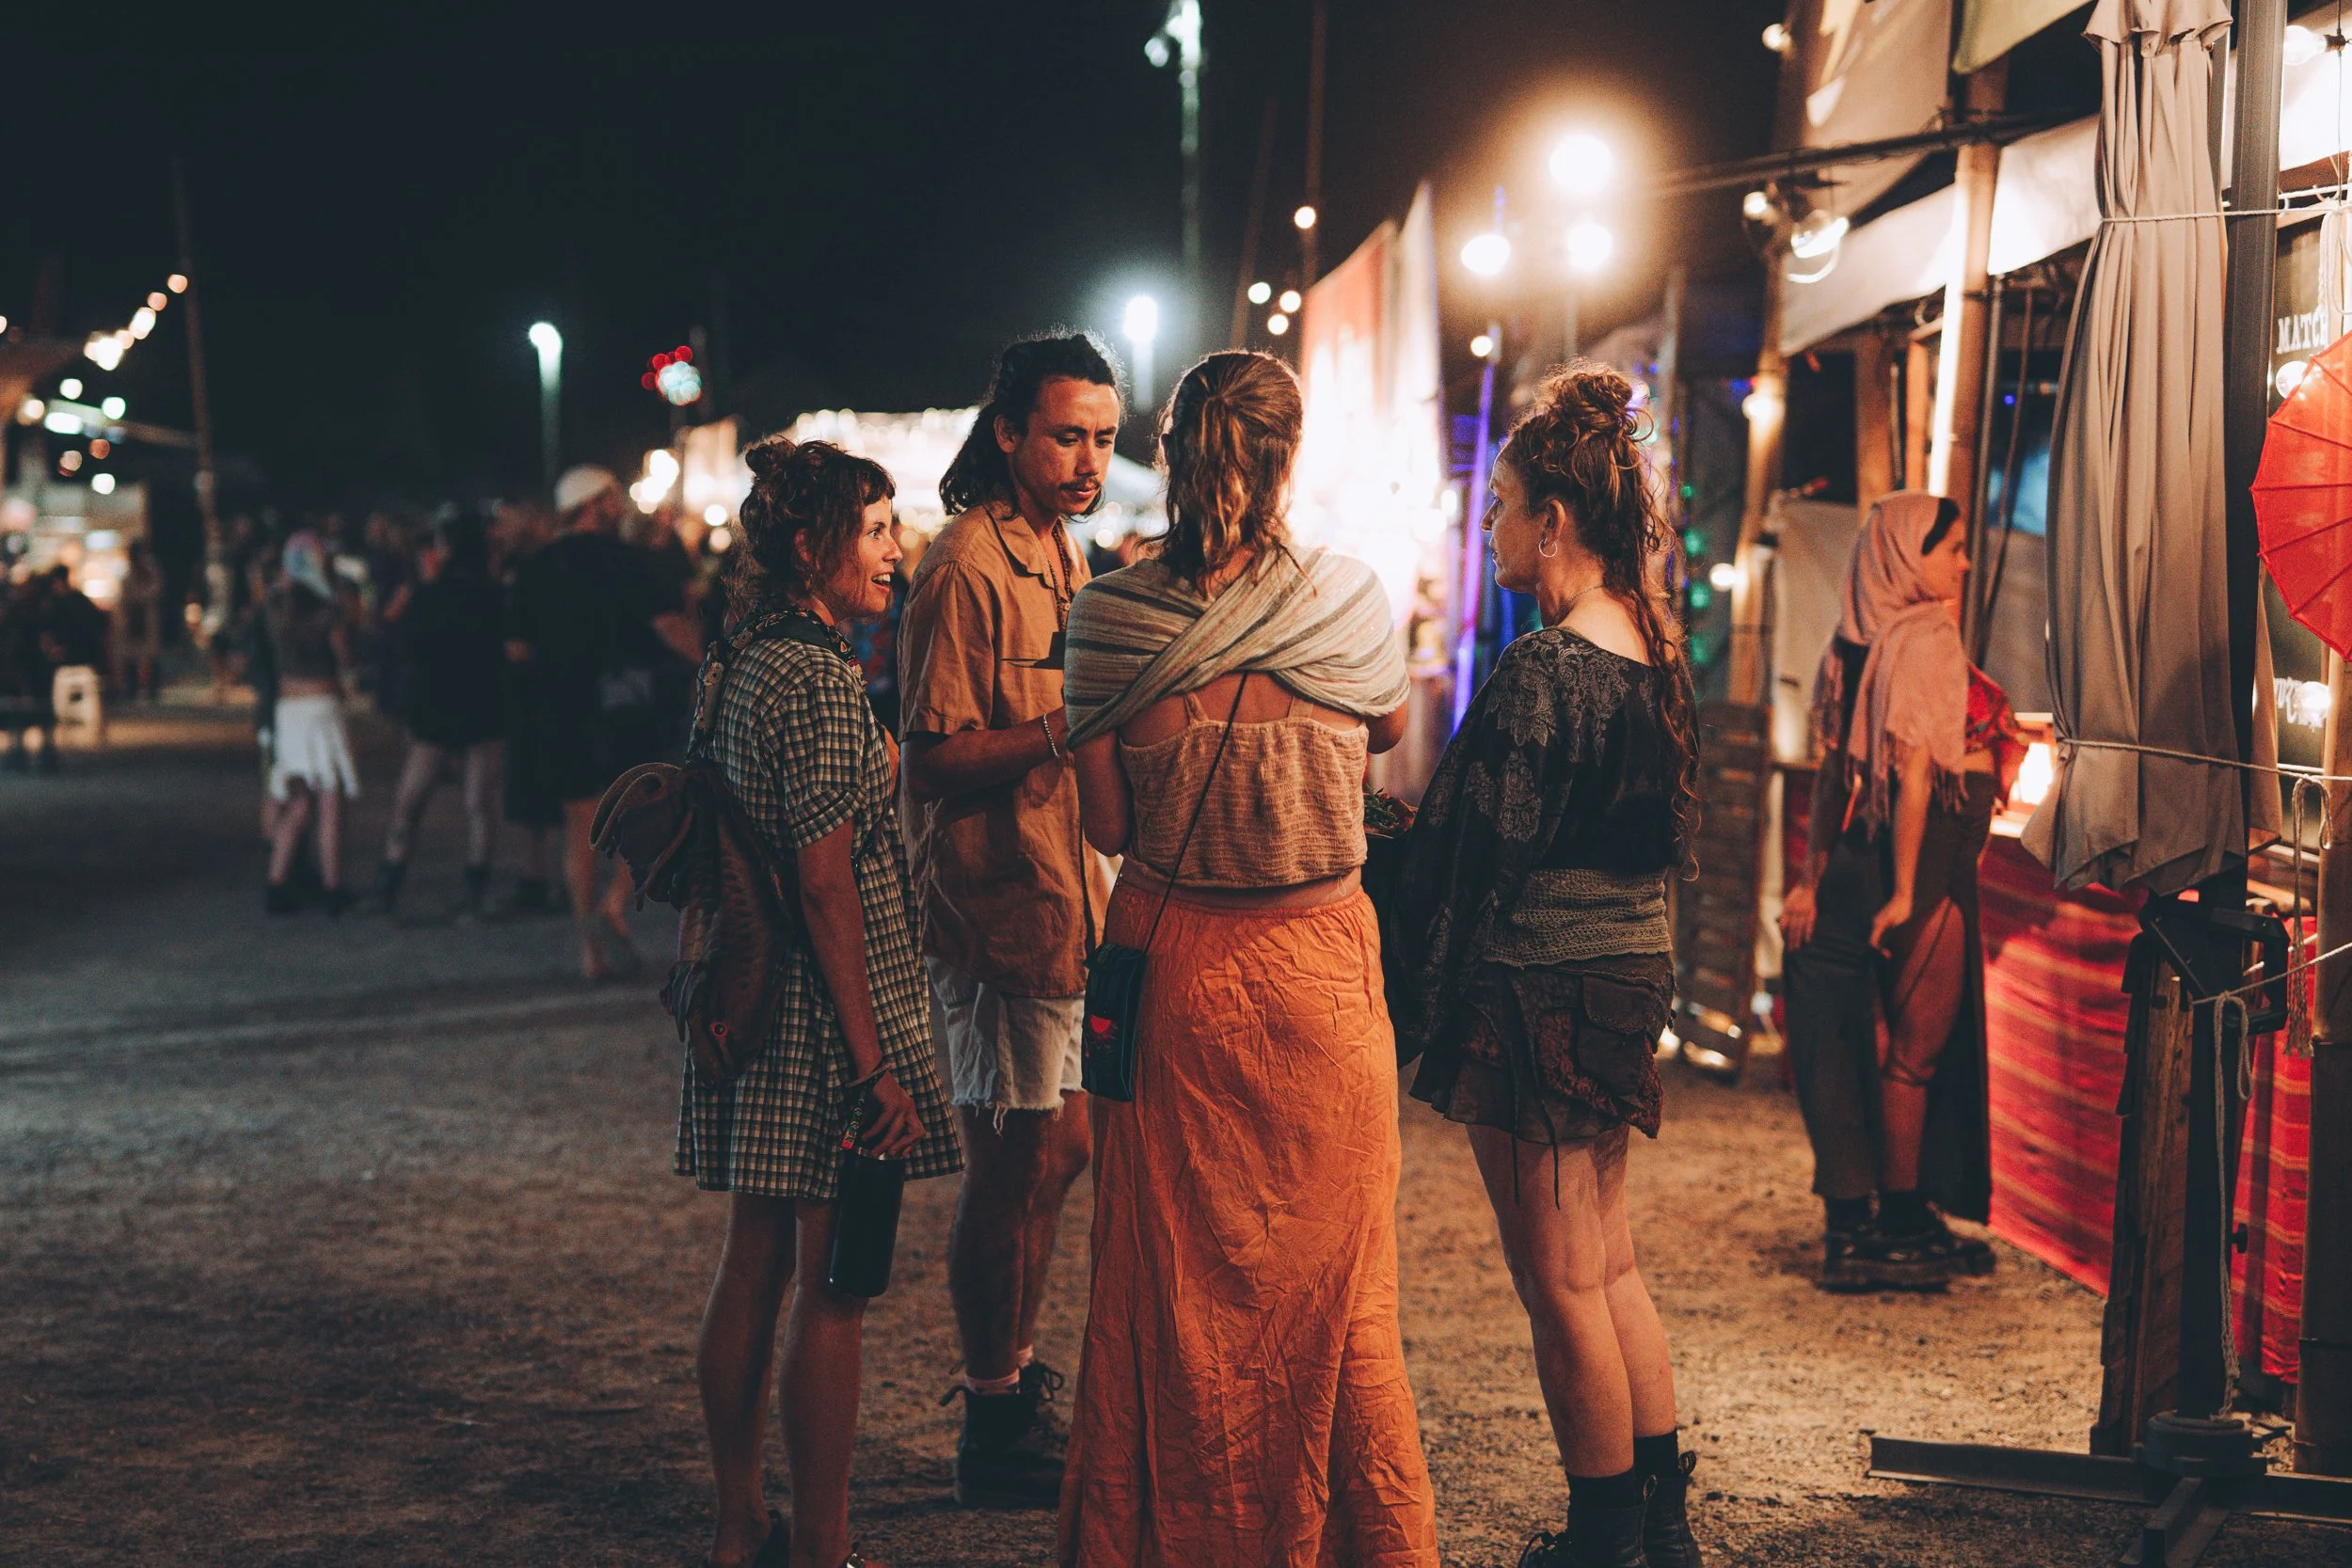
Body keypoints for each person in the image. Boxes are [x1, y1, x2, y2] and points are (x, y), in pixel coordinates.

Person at [1057, 350, 1436, 1566]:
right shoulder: (1351, 603)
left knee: (1173, 1297)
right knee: (1341, 1294)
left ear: (1169, 458)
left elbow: (1108, 826)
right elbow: (1388, 731)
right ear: (1288, 457)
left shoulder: (1109, 618)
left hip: (1180, 979)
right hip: (1324, 973)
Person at [1393, 366, 1706, 1568]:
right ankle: (1655, 1523)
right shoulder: (1653, 645)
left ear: (1553, 523)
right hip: (1625, 970)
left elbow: (1479, 855)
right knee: (1605, 1258)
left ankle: (1603, 1533)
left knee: (1561, 1276)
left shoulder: (1545, 669)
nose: (1493, 529)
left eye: (1503, 506)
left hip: (1543, 987)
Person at [679, 435, 961, 1568]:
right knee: (836, 1284)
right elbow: (826, 883)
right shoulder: (821, 677)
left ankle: (742, 1517)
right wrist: (875, 1060)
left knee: (754, 1258)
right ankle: (826, 1545)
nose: (896, 554)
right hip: (823, 1013)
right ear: (811, 547)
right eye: (877, 530)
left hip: (746, 1001)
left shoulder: (736, 657)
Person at [898, 333, 1120, 1508]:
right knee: (1012, 1159)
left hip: (1062, 898)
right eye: (1066, 435)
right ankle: (993, 1409)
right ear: (1009, 434)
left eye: (1102, 437)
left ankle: (1011, 1382)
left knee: (1062, 1148)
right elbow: (930, 758)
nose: (1087, 458)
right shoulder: (965, 566)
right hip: (996, 906)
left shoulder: (1059, 550)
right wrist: (1067, 729)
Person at [1779, 492, 2018, 1293]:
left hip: (1862, 859)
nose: (1963, 560)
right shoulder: (1926, 637)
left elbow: (1830, 775)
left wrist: (1812, 878)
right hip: (1924, 854)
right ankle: (1897, 1219)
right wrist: (1910, 888)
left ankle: (1872, 1217)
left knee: (1853, 1040)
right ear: (1906, 555)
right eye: (1949, 546)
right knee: (1916, 1053)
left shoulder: (1853, 643)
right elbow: (1916, 770)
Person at [506, 467, 700, 976]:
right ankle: (615, 903)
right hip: (625, 709)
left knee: (580, 830)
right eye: (613, 497)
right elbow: (669, 627)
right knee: (650, 813)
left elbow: (517, 647)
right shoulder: (630, 562)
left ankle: (587, 947)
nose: (620, 505)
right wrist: (709, 661)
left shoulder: (537, 567)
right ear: (595, 504)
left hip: (561, 709)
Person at [373, 515, 506, 917]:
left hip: (437, 705)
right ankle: (475, 887)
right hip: (484, 704)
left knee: (410, 800)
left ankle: (390, 884)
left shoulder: (431, 595)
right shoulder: (493, 594)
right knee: (479, 801)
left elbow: (405, 644)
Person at [262, 532, 360, 914]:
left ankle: (276, 882)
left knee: (298, 797)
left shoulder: (275, 607)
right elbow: (347, 658)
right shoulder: (327, 609)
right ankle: (333, 886)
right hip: (322, 705)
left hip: (289, 709)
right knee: (329, 799)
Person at [114, 541, 166, 702]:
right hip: (132, 619)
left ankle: (152, 688)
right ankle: (133, 688)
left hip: (146, 618)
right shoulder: (128, 574)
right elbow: (124, 597)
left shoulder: (150, 572)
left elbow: (156, 590)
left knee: (150, 654)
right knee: (131, 655)